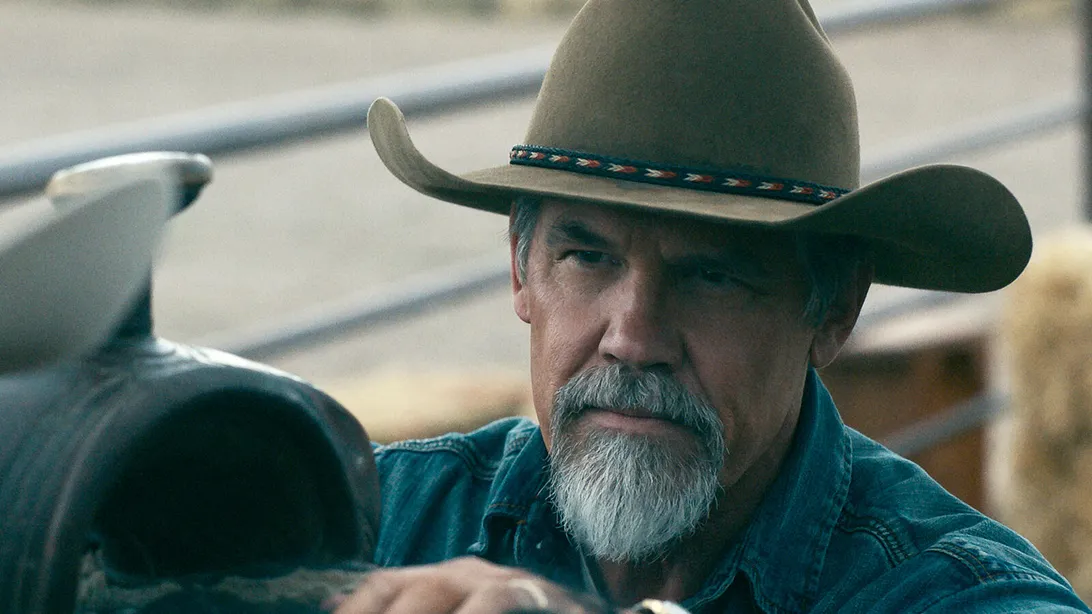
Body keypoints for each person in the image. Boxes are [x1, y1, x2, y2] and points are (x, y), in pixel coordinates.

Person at [335, 0, 1090, 611]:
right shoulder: (379, 520)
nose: (634, 338)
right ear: (520, 270)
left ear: (835, 308)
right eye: (588, 257)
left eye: (714, 277)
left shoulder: (950, 594)